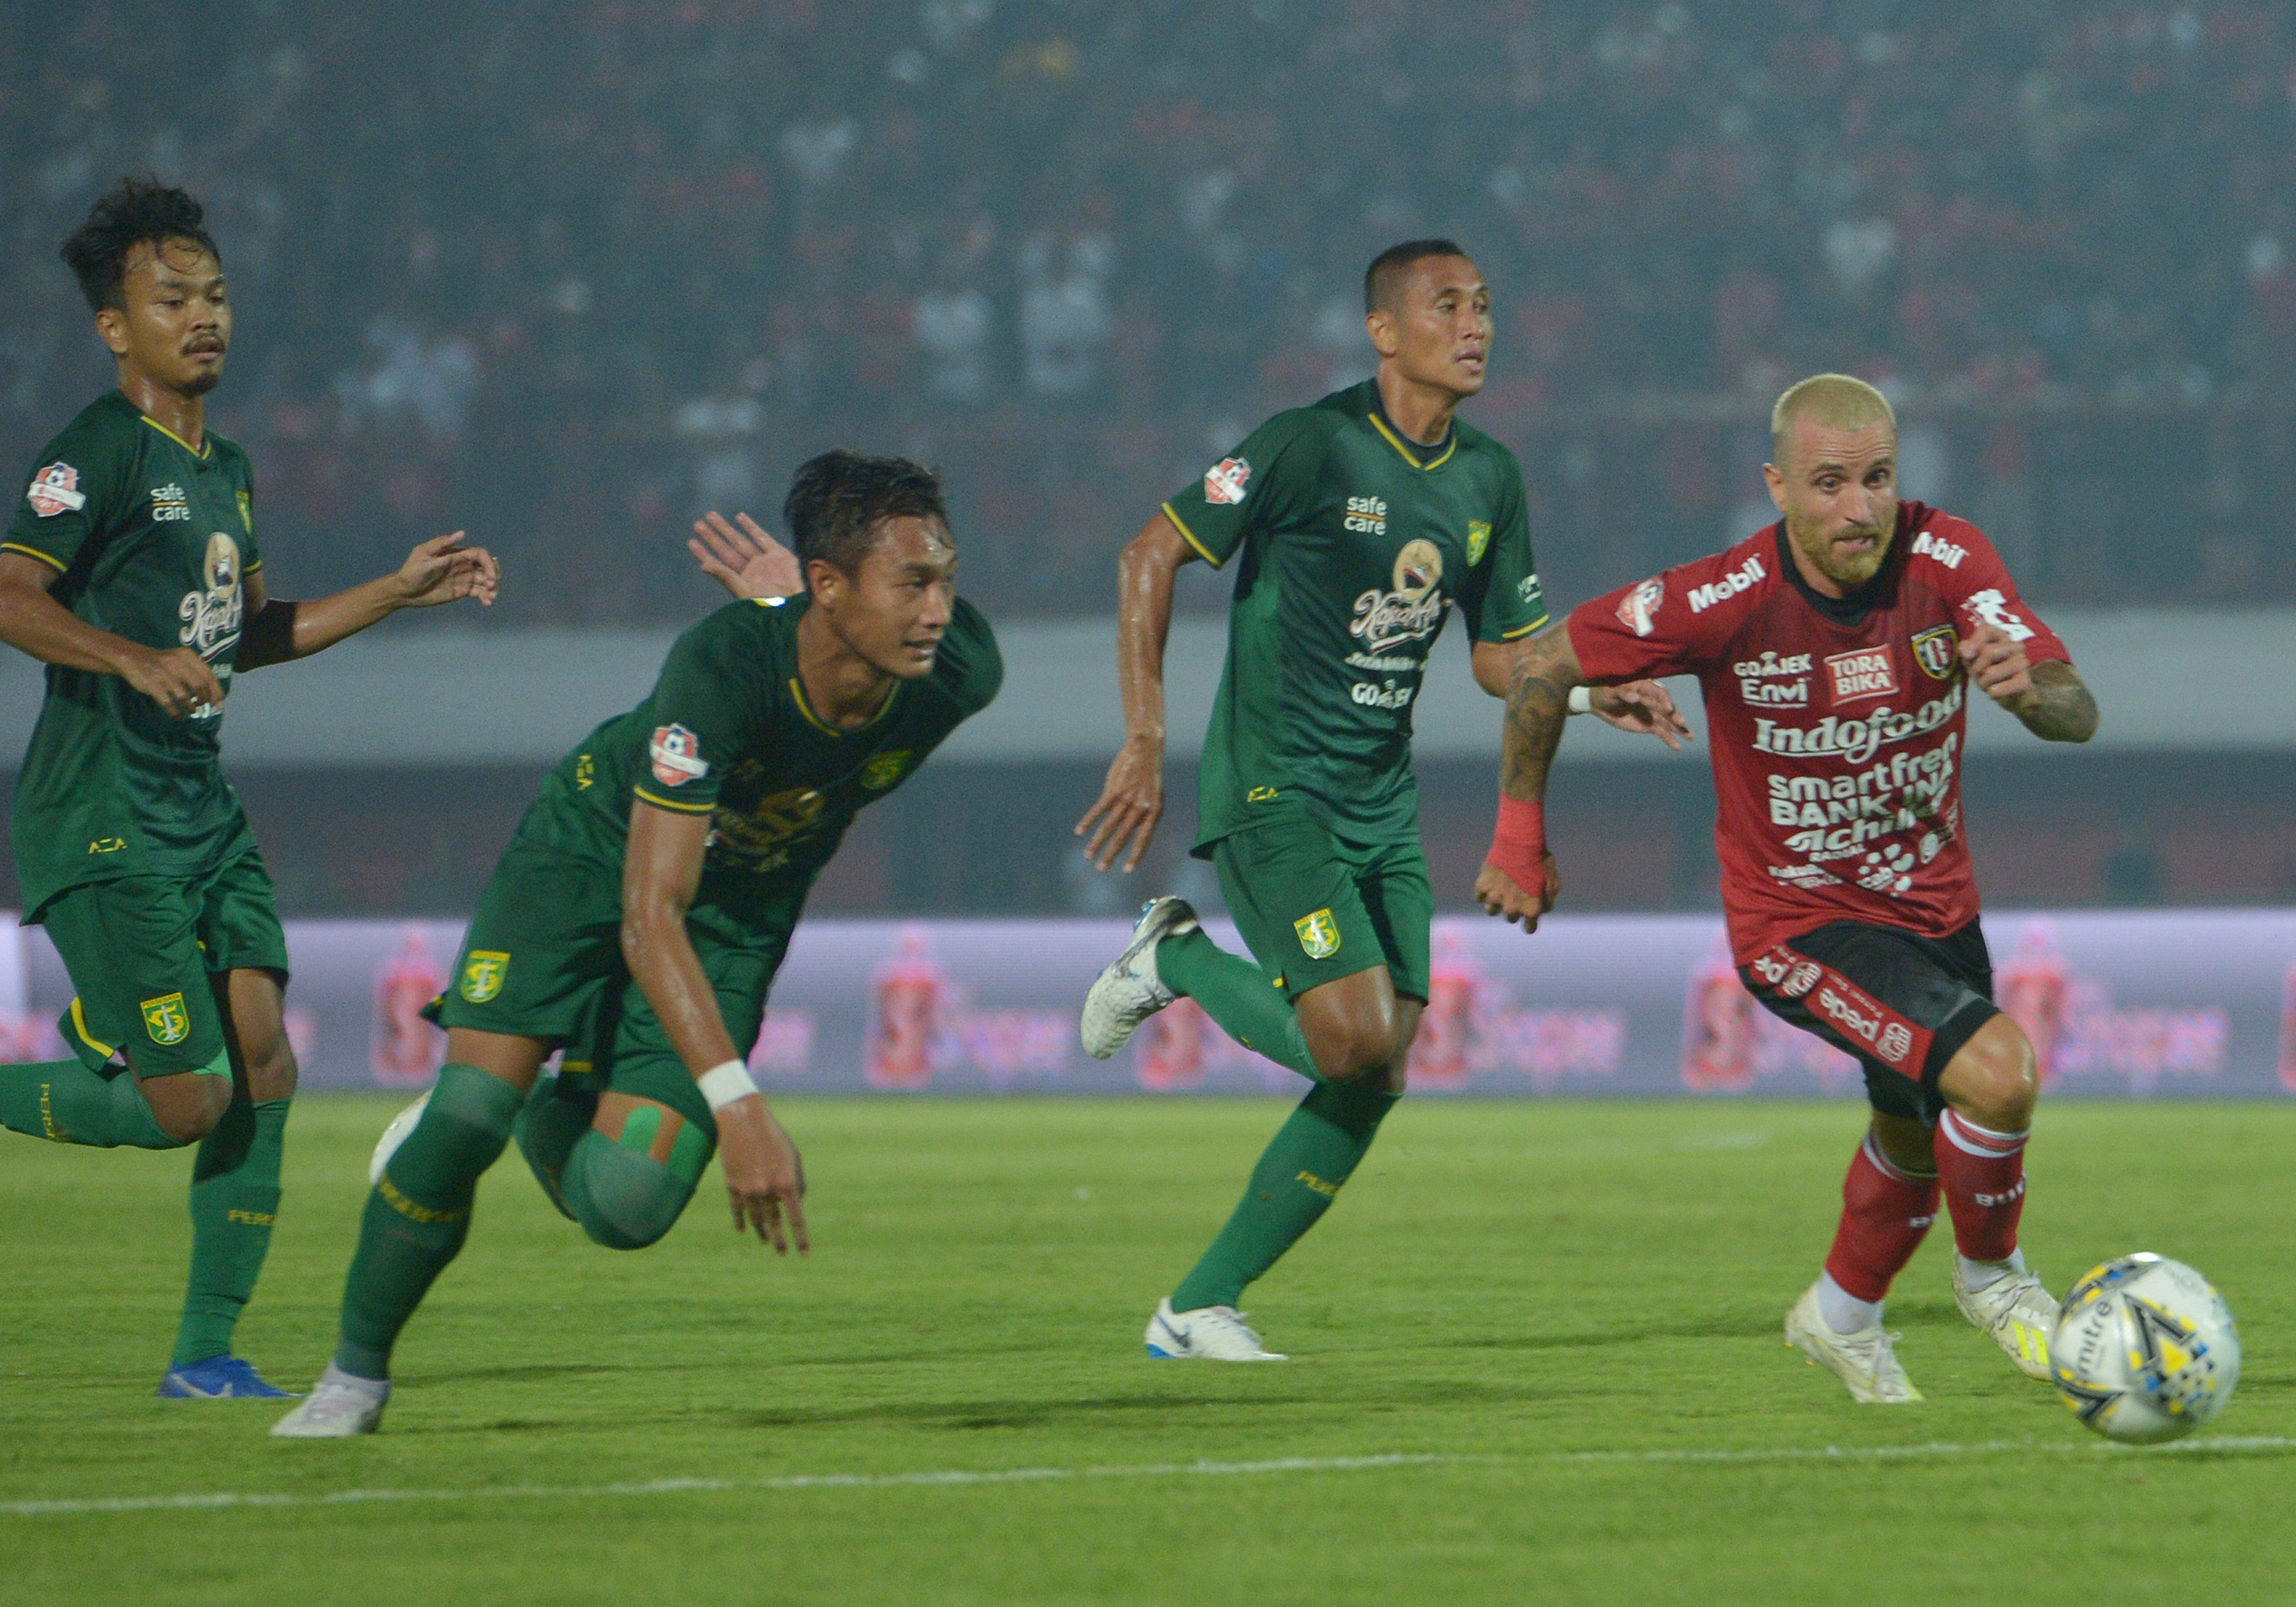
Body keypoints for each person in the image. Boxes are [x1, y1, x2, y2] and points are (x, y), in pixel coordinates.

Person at [272, 451, 1001, 1436]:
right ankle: (353, 1379)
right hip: (591, 859)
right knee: (467, 1115)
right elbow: (647, 909)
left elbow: (691, 912)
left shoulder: (958, 674)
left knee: (627, 1204)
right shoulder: (722, 666)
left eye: (946, 578)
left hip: (736, 918)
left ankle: (547, 1089)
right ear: (828, 586)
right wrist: (739, 1105)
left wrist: (807, 608)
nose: (937, 609)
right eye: (912, 583)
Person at [1073, 240, 1676, 1361]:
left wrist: (1591, 695)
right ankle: (1176, 958)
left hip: (1378, 800)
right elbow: (1147, 555)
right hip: (1273, 784)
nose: (1476, 325)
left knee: (1381, 1066)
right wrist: (1145, 737)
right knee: (1347, 1039)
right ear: (1384, 331)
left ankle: (1196, 1306)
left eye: (1486, 305)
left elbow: (1501, 659)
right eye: (1447, 305)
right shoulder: (1310, 445)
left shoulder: (1490, 477)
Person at [1475, 373, 2098, 1404]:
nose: (1859, 507)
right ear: (1775, 487)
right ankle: (1993, 1281)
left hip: (1936, 911)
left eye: (1878, 479)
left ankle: (1840, 1314)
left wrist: (2033, 694)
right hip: (1798, 922)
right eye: (1829, 483)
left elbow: (2078, 711)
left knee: (1910, 1125)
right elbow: (1535, 666)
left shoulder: (1950, 558)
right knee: (1996, 1074)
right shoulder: (1717, 599)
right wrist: (1518, 836)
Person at [0, 178, 499, 1399]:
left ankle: (205, 1354)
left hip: (199, 806)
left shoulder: (224, 462)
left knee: (266, 1055)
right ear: (116, 327)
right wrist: (129, 655)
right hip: (104, 809)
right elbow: (12, 591)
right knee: (185, 1100)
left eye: (215, 295)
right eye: (171, 300)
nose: (203, 317)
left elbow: (246, 632)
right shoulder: (94, 452)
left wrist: (391, 590)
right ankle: (106, 1049)